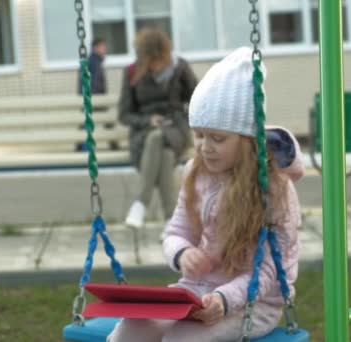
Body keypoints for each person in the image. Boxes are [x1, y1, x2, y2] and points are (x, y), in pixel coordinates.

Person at [108, 47, 304, 341]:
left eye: (218, 138)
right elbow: (175, 231)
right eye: (199, 135)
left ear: (248, 139)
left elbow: (269, 270)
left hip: (254, 302)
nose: (204, 147)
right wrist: (182, 253)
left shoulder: (274, 189)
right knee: (130, 330)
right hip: (195, 292)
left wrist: (224, 300)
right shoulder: (195, 174)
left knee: (182, 339)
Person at [119, 29, 197, 229]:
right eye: (149, 61)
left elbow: (199, 99)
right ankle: (171, 221)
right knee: (164, 151)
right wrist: (148, 120)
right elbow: (124, 115)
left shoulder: (180, 68)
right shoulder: (131, 73)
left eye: (158, 59)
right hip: (144, 135)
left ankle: (140, 203)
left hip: (177, 129)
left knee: (159, 139)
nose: (154, 66)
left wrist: (184, 118)